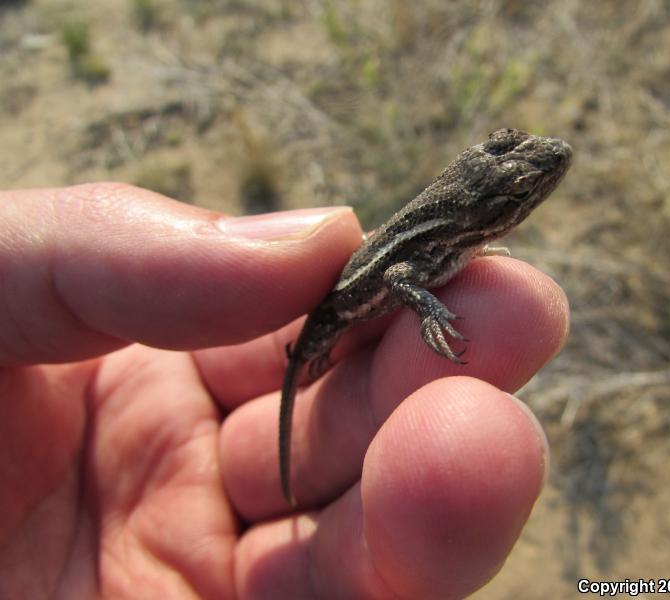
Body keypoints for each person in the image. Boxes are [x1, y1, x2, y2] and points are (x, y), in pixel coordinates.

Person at [0, 183, 569, 598]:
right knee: (316, 356)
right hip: (340, 306)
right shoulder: (444, 232)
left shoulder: (450, 229)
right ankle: (308, 363)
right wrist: (427, 309)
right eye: (525, 195)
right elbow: (399, 277)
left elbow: (414, 266)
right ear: (497, 216)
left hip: (366, 286)